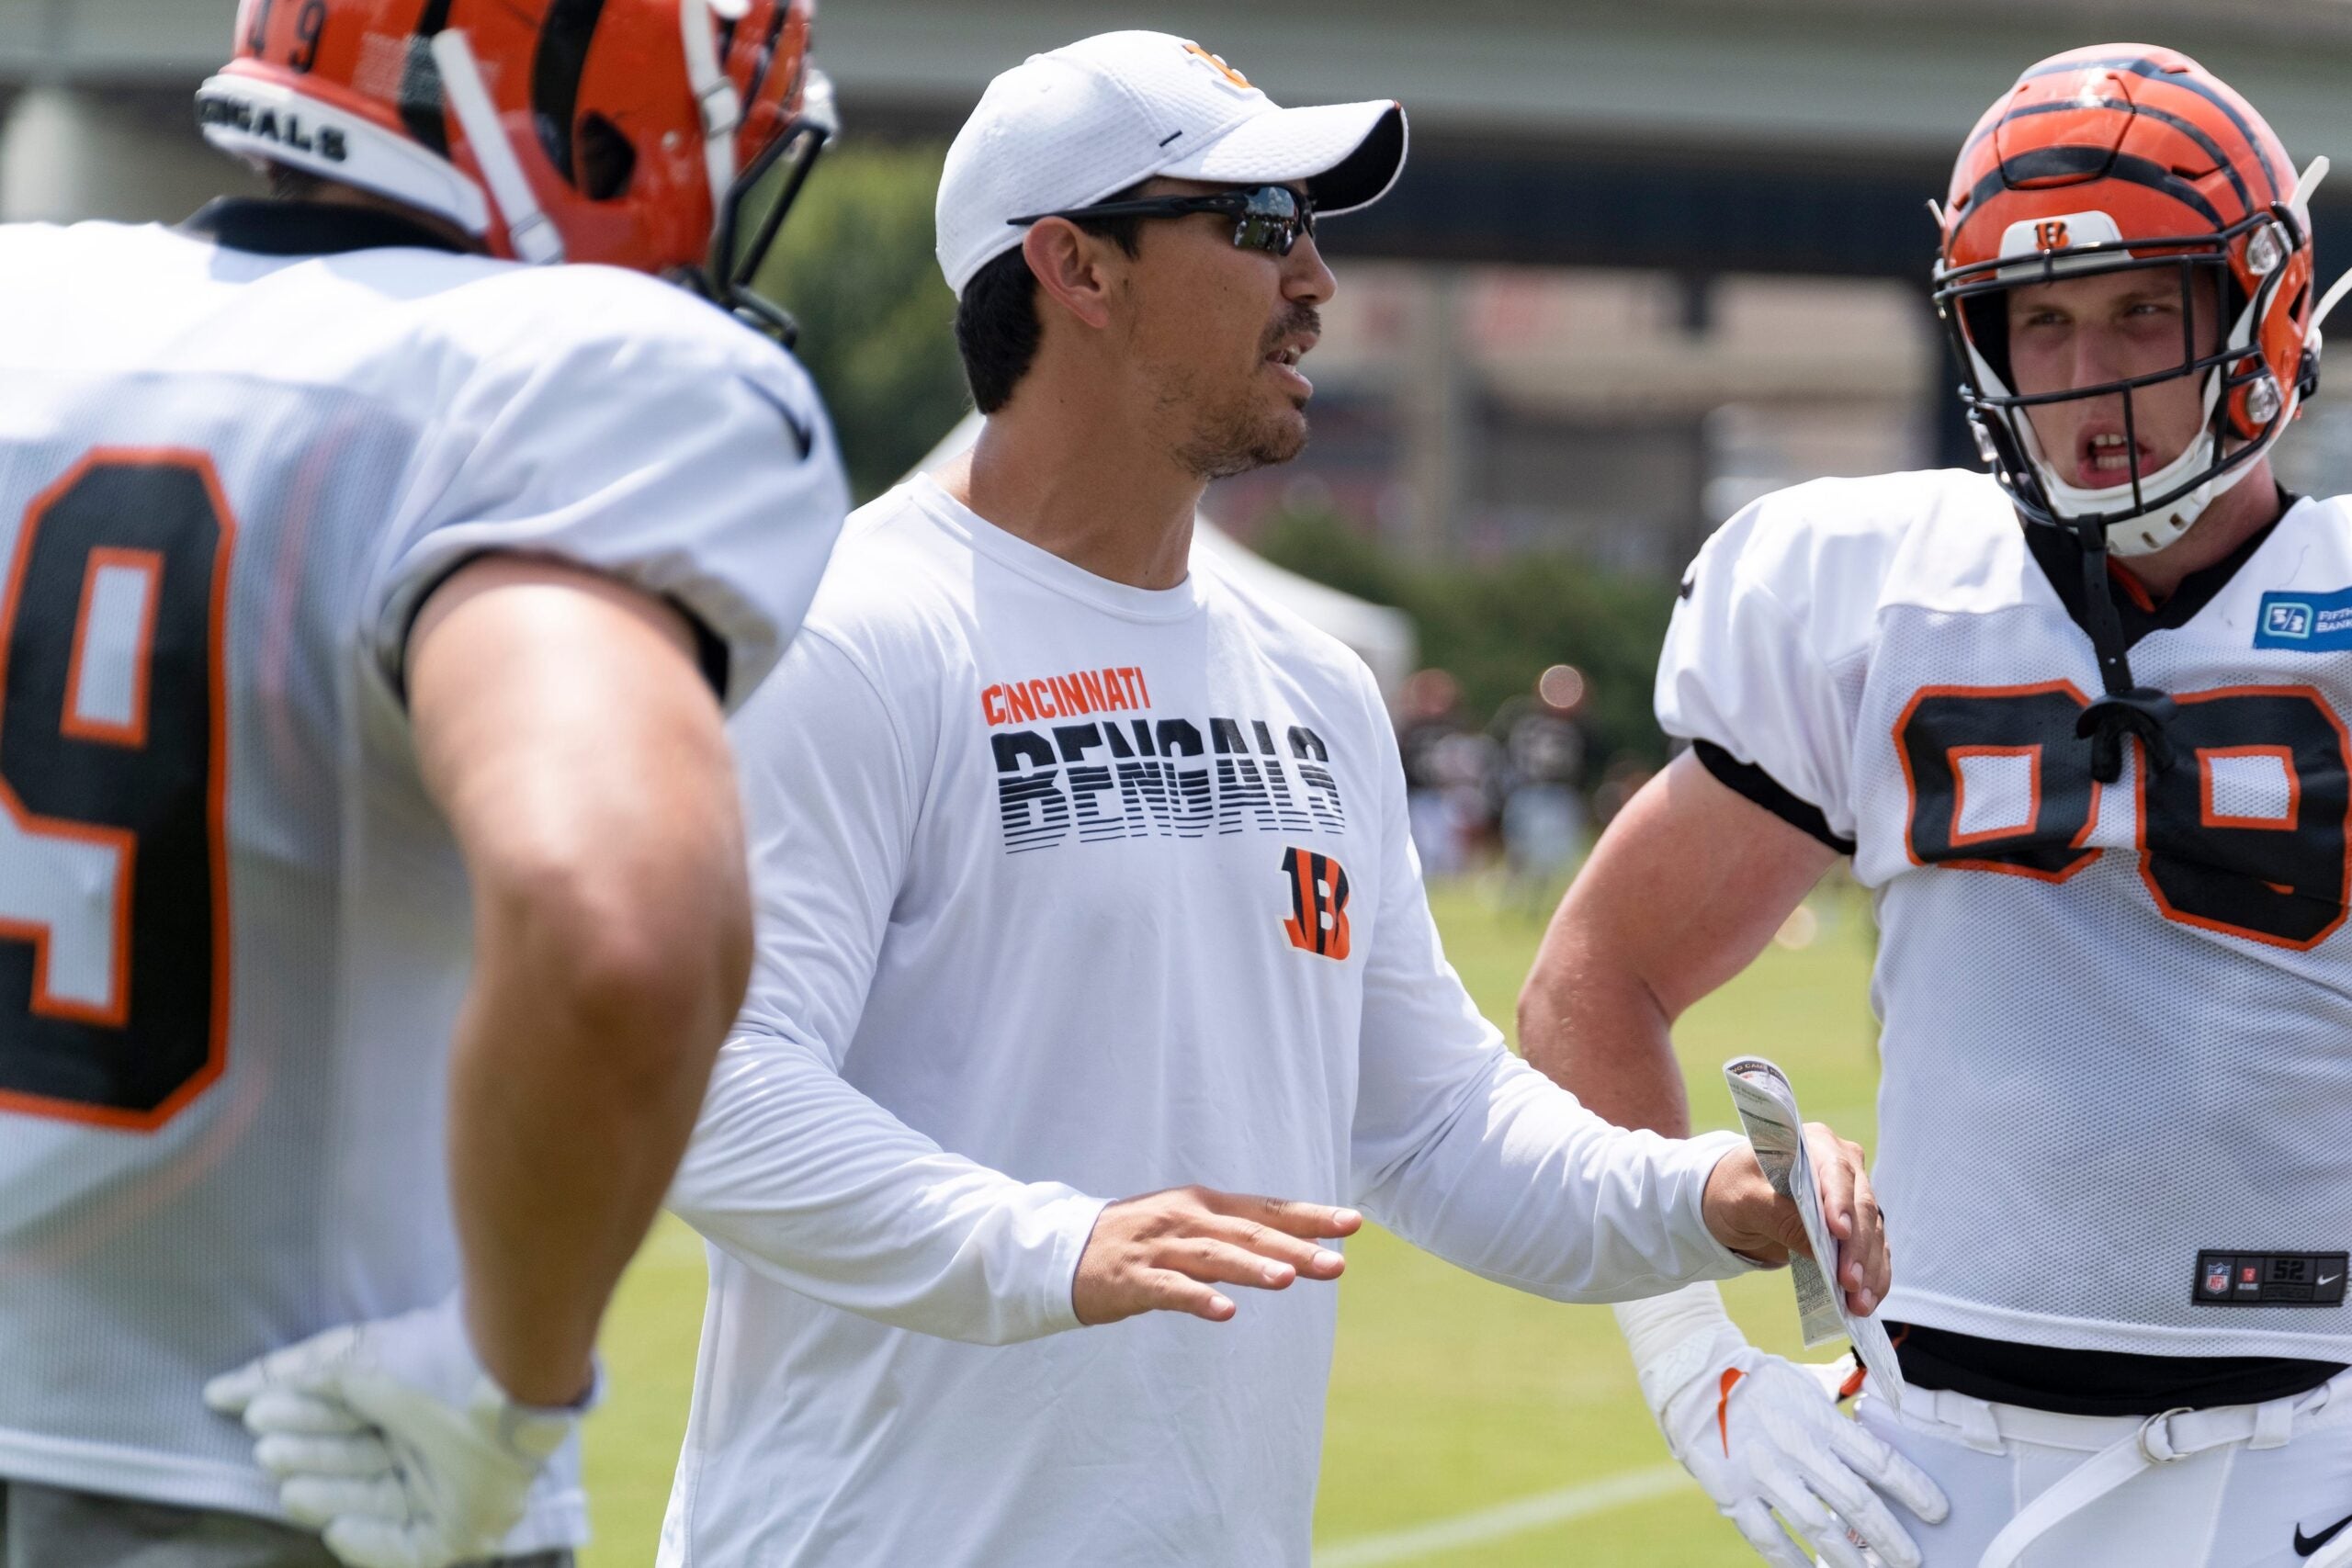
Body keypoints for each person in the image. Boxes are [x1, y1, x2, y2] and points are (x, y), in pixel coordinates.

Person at [658, 31, 1892, 1568]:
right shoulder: (853, 631)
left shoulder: (1311, 689)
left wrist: (1700, 1194)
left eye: (1310, 228)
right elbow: (706, 1094)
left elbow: (1435, 1123)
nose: (1314, 279)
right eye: (1257, 226)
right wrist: (1062, 1247)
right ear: (1075, 269)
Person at [0, 3, 846, 1565]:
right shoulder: (550, 381)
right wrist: (504, 1380)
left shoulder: (29, 305)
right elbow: (618, 928)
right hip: (277, 1481)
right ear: (590, 128)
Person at [1518, 42, 2352, 1568]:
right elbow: (1595, 977)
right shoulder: (1882, 591)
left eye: (2140, 312)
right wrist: (1688, 1360)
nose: (2090, 378)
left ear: (2261, 311)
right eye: (2040, 322)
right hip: (1928, 1475)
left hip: (2309, 1467)